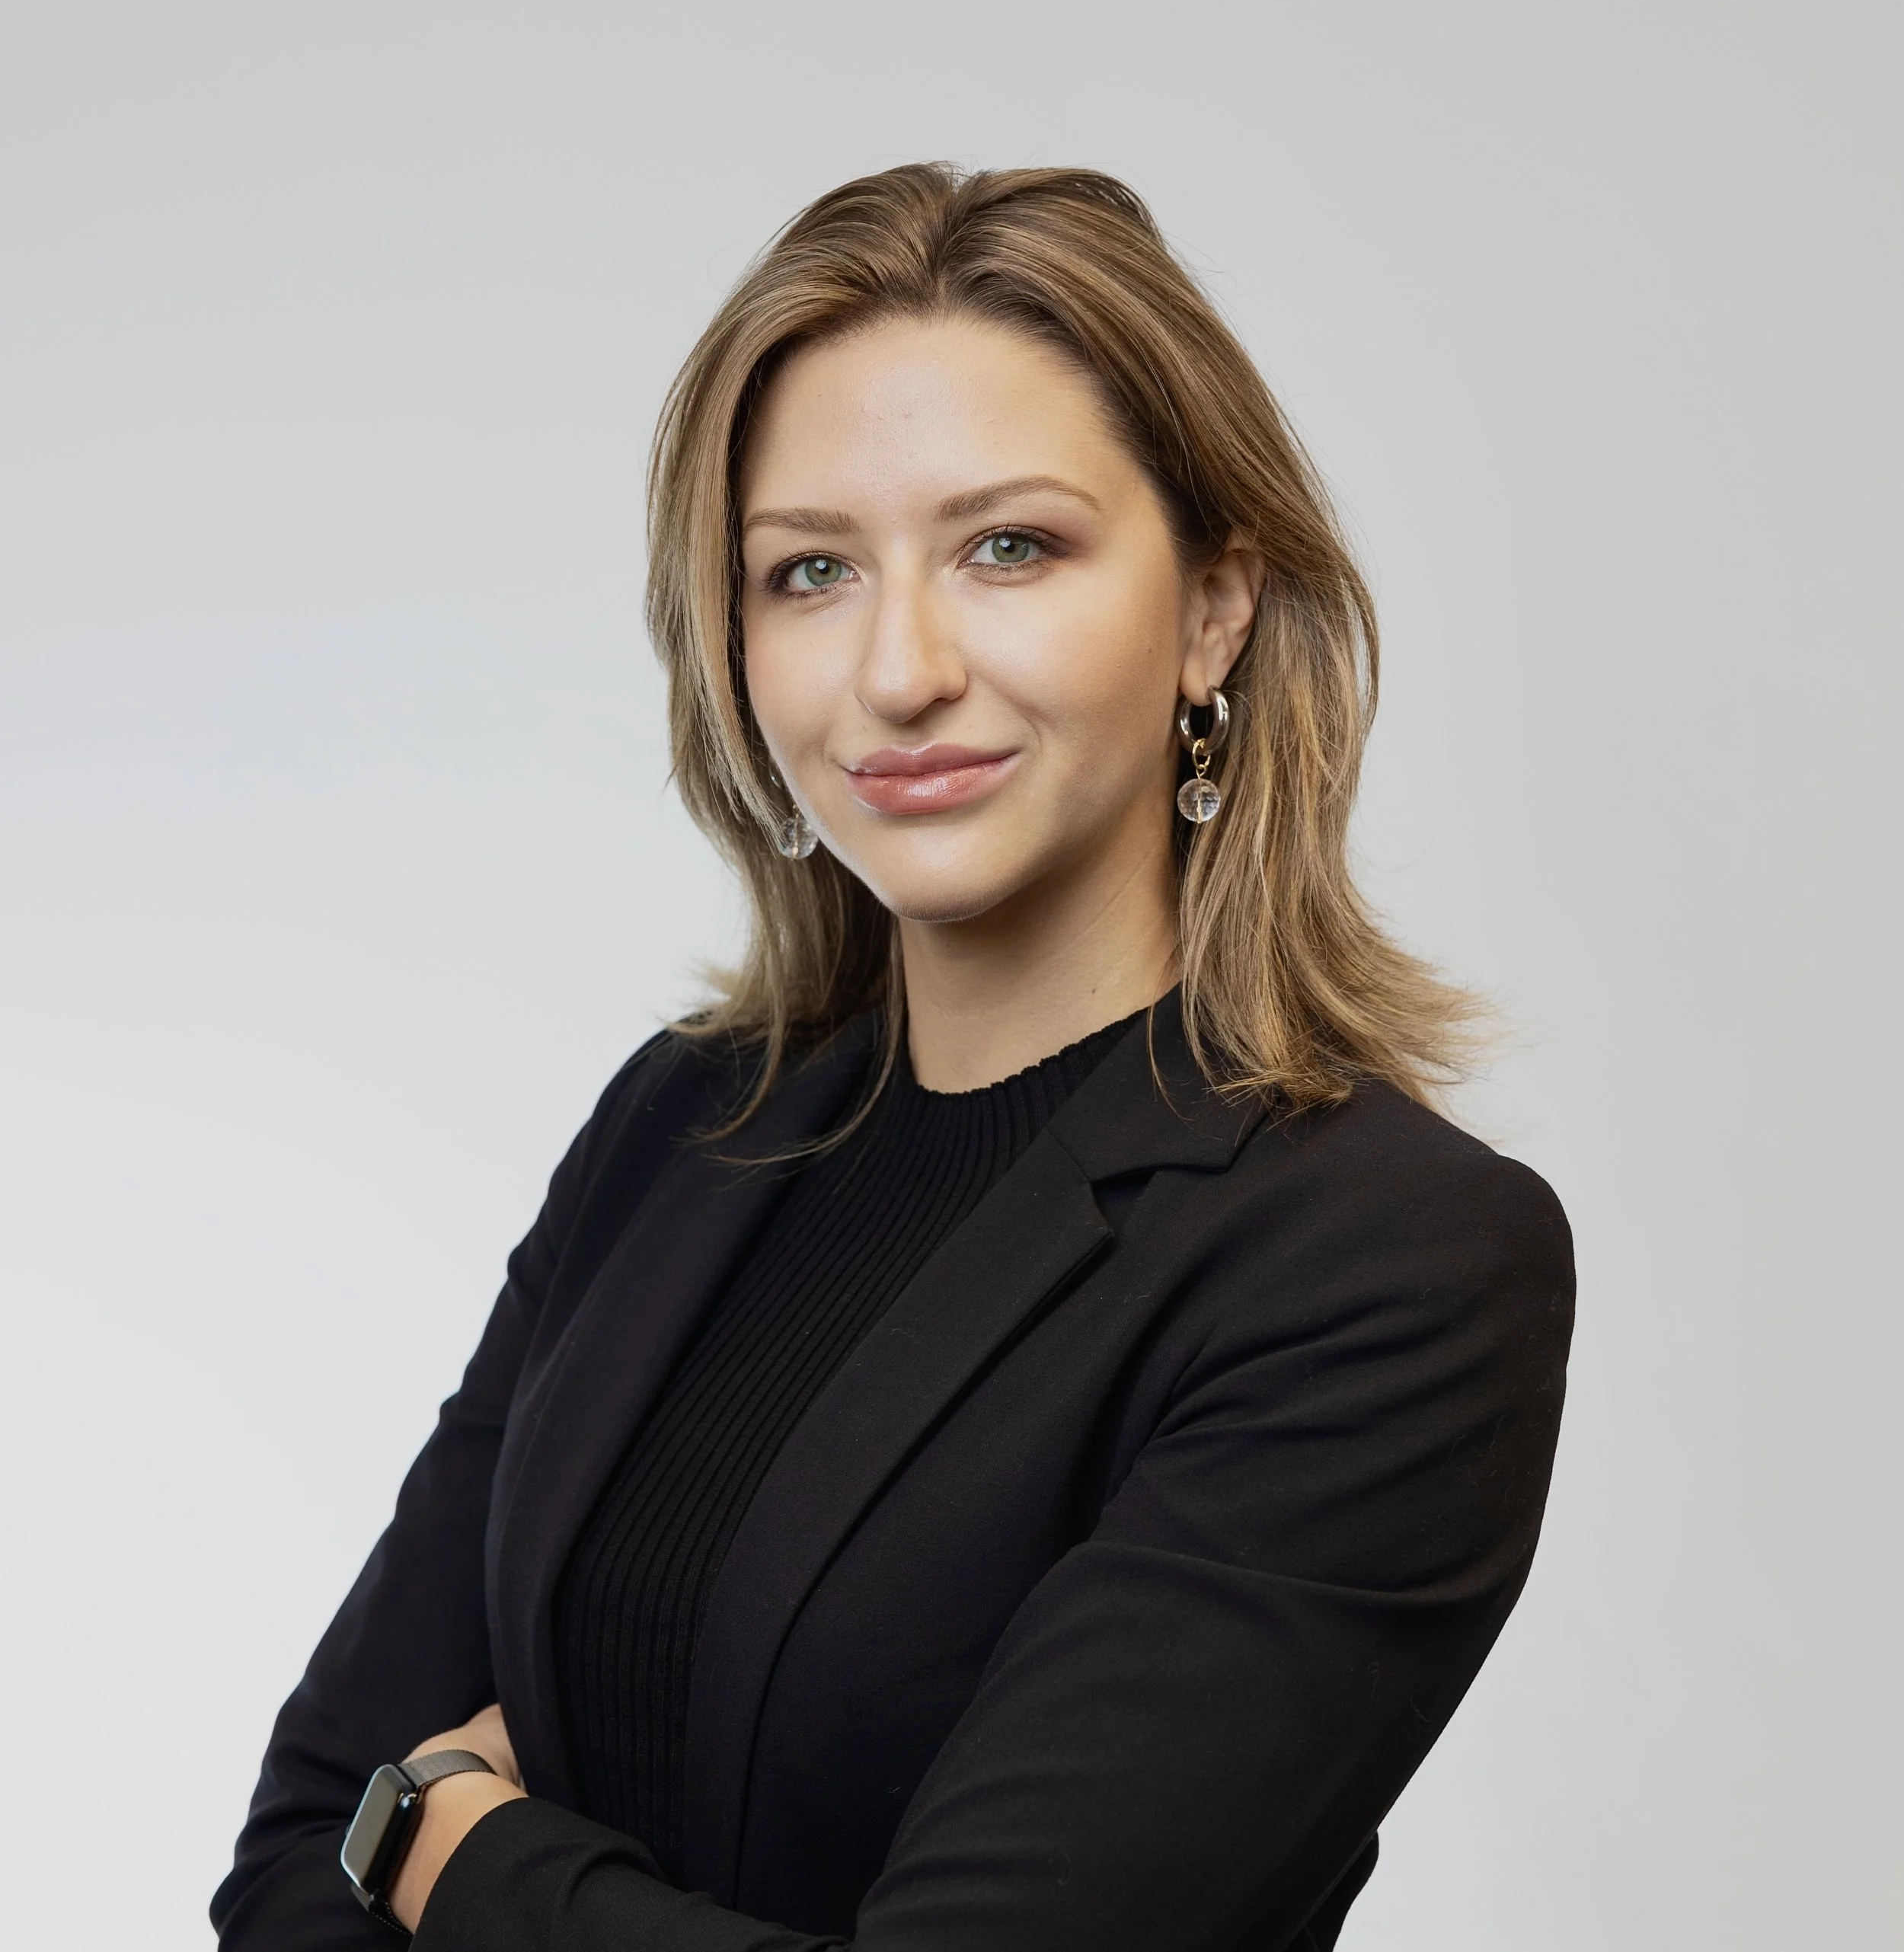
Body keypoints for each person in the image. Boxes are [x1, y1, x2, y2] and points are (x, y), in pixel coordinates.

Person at [212, 163, 1573, 1952]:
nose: (898, 666)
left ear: (1214, 607)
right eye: (809, 571)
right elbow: (302, 1847)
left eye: (1008, 545)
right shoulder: (682, 1123)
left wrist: (459, 1844)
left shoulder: (1382, 1260)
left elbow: (385, 1818)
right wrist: (392, 1825)